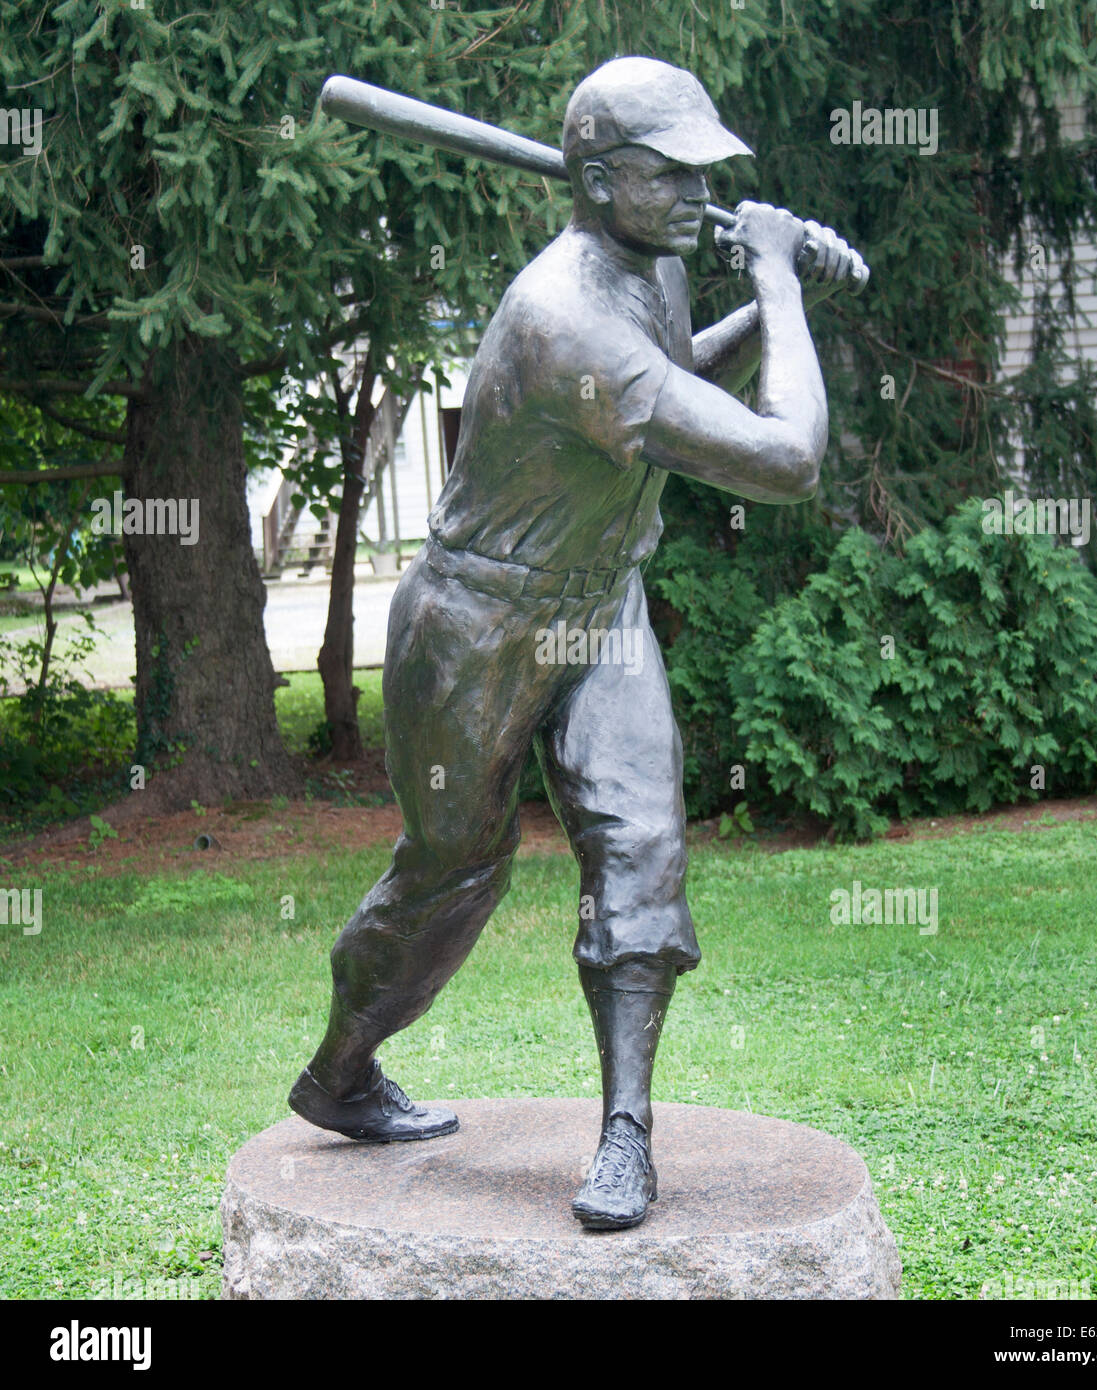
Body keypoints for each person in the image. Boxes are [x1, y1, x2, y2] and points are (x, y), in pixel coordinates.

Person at [289, 56, 862, 1230]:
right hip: (478, 625)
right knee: (454, 871)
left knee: (643, 842)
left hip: (599, 605)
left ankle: (626, 1134)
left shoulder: (644, 267)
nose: (703, 196)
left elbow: (676, 391)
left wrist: (766, 298)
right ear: (598, 178)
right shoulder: (562, 320)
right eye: (676, 175)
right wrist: (780, 284)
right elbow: (787, 460)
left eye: (711, 175)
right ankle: (340, 1069)